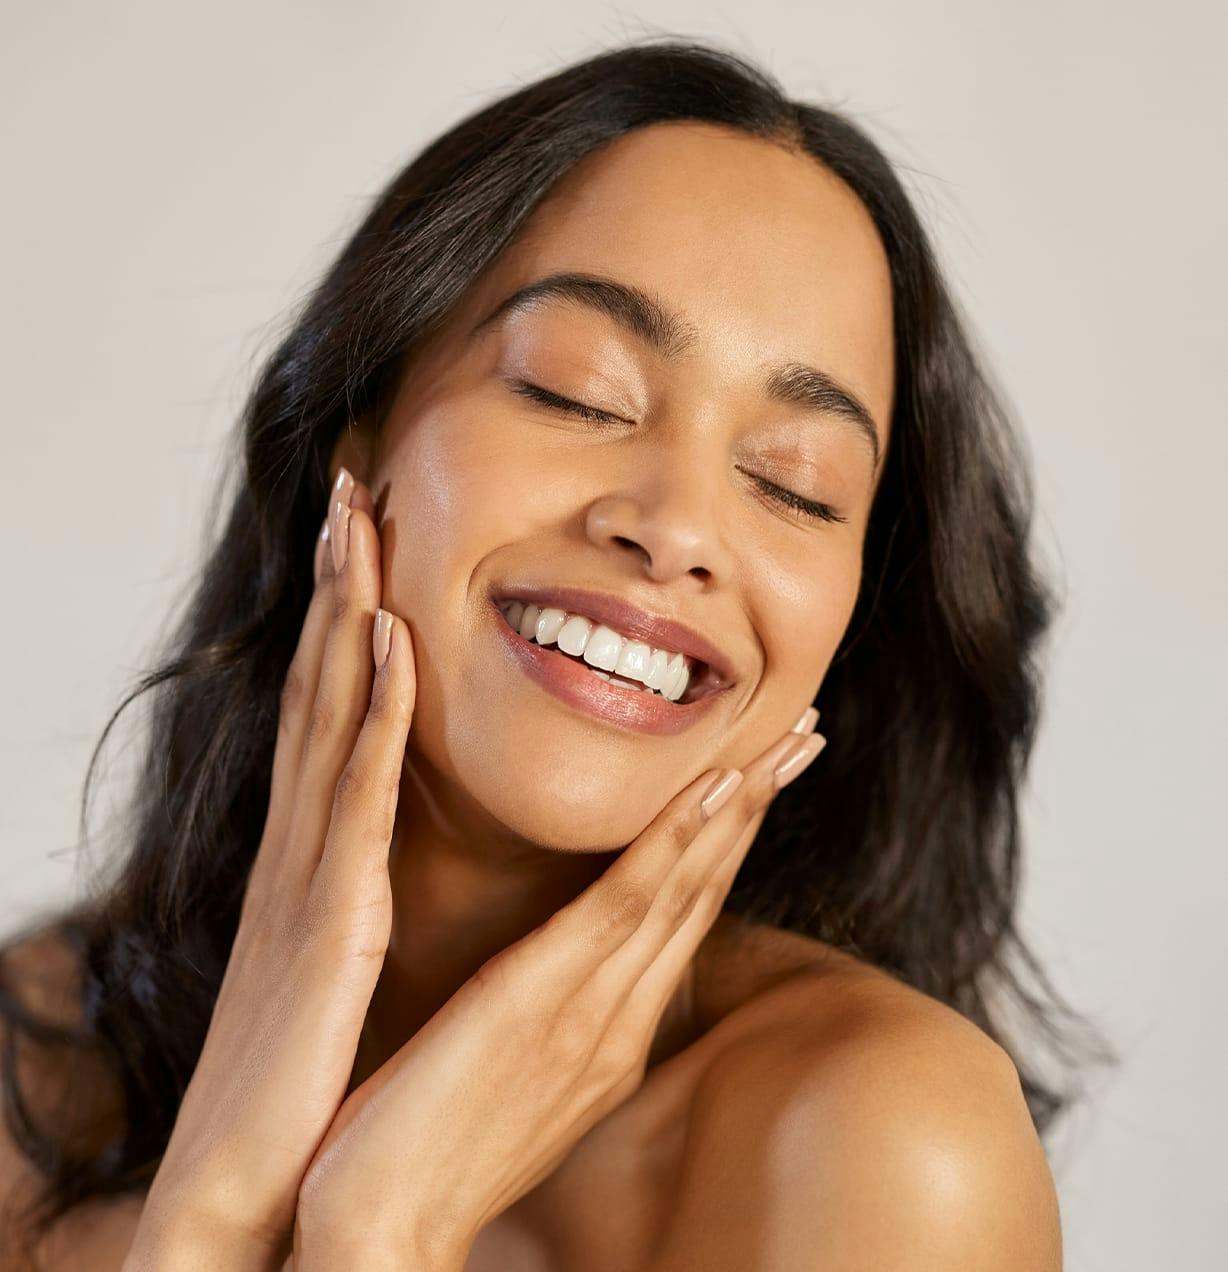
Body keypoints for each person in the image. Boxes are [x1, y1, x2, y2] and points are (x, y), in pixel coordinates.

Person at [0, 37, 1109, 1270]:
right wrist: (212, 1213)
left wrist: (381, 1232)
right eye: (575, 393)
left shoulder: (883, 1141)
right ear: (355, 439)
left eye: (796, 485)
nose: (677, 529)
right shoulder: (31, 1067)